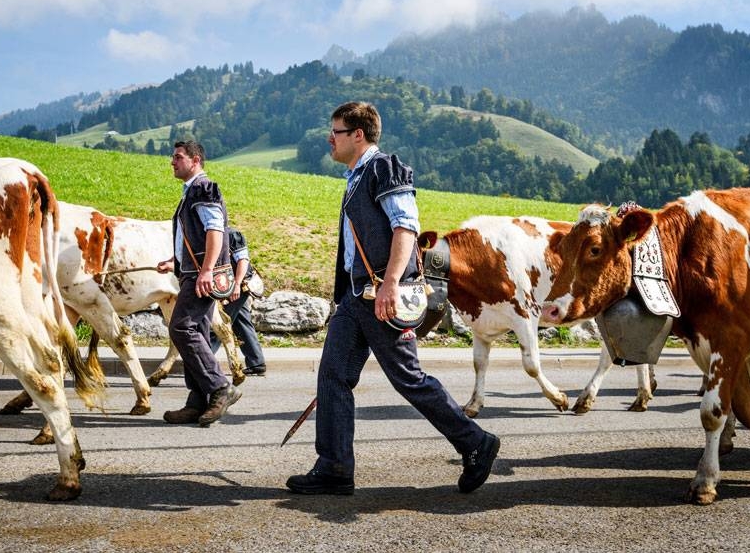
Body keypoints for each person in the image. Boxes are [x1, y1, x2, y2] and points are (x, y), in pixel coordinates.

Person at [286, 101, 499, 495]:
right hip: (356, 297)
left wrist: (390, 284)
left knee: (408, 379)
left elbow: (406, 227)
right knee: (333, 374)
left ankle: (476, 443)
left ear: (358, 135)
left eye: (335, 131)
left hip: (382, 294)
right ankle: (334, 468)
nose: (328, 138)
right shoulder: (356, 175)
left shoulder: (383, 167)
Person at [156, 140, 241, 427]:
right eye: (173, 157)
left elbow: (215, 231)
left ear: (195, 160)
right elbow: (194, 237)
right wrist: (175, 261)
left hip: (201, 277)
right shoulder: (190, 192)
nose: (172, 162)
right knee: (200, 334)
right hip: (192, 272)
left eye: (178, 157)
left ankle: (219, 387)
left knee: (181, 327)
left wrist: (205, 271)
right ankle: (197, 401)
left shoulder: (204, 188)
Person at [210, 226, 267, 376]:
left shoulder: (232, 235)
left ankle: (204, 361)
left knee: (219, 323)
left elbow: (243, 260)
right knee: (241, 322)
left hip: (238, 285)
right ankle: (257, 362)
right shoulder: (213, 234)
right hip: (230, 285)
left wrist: (236, 285)